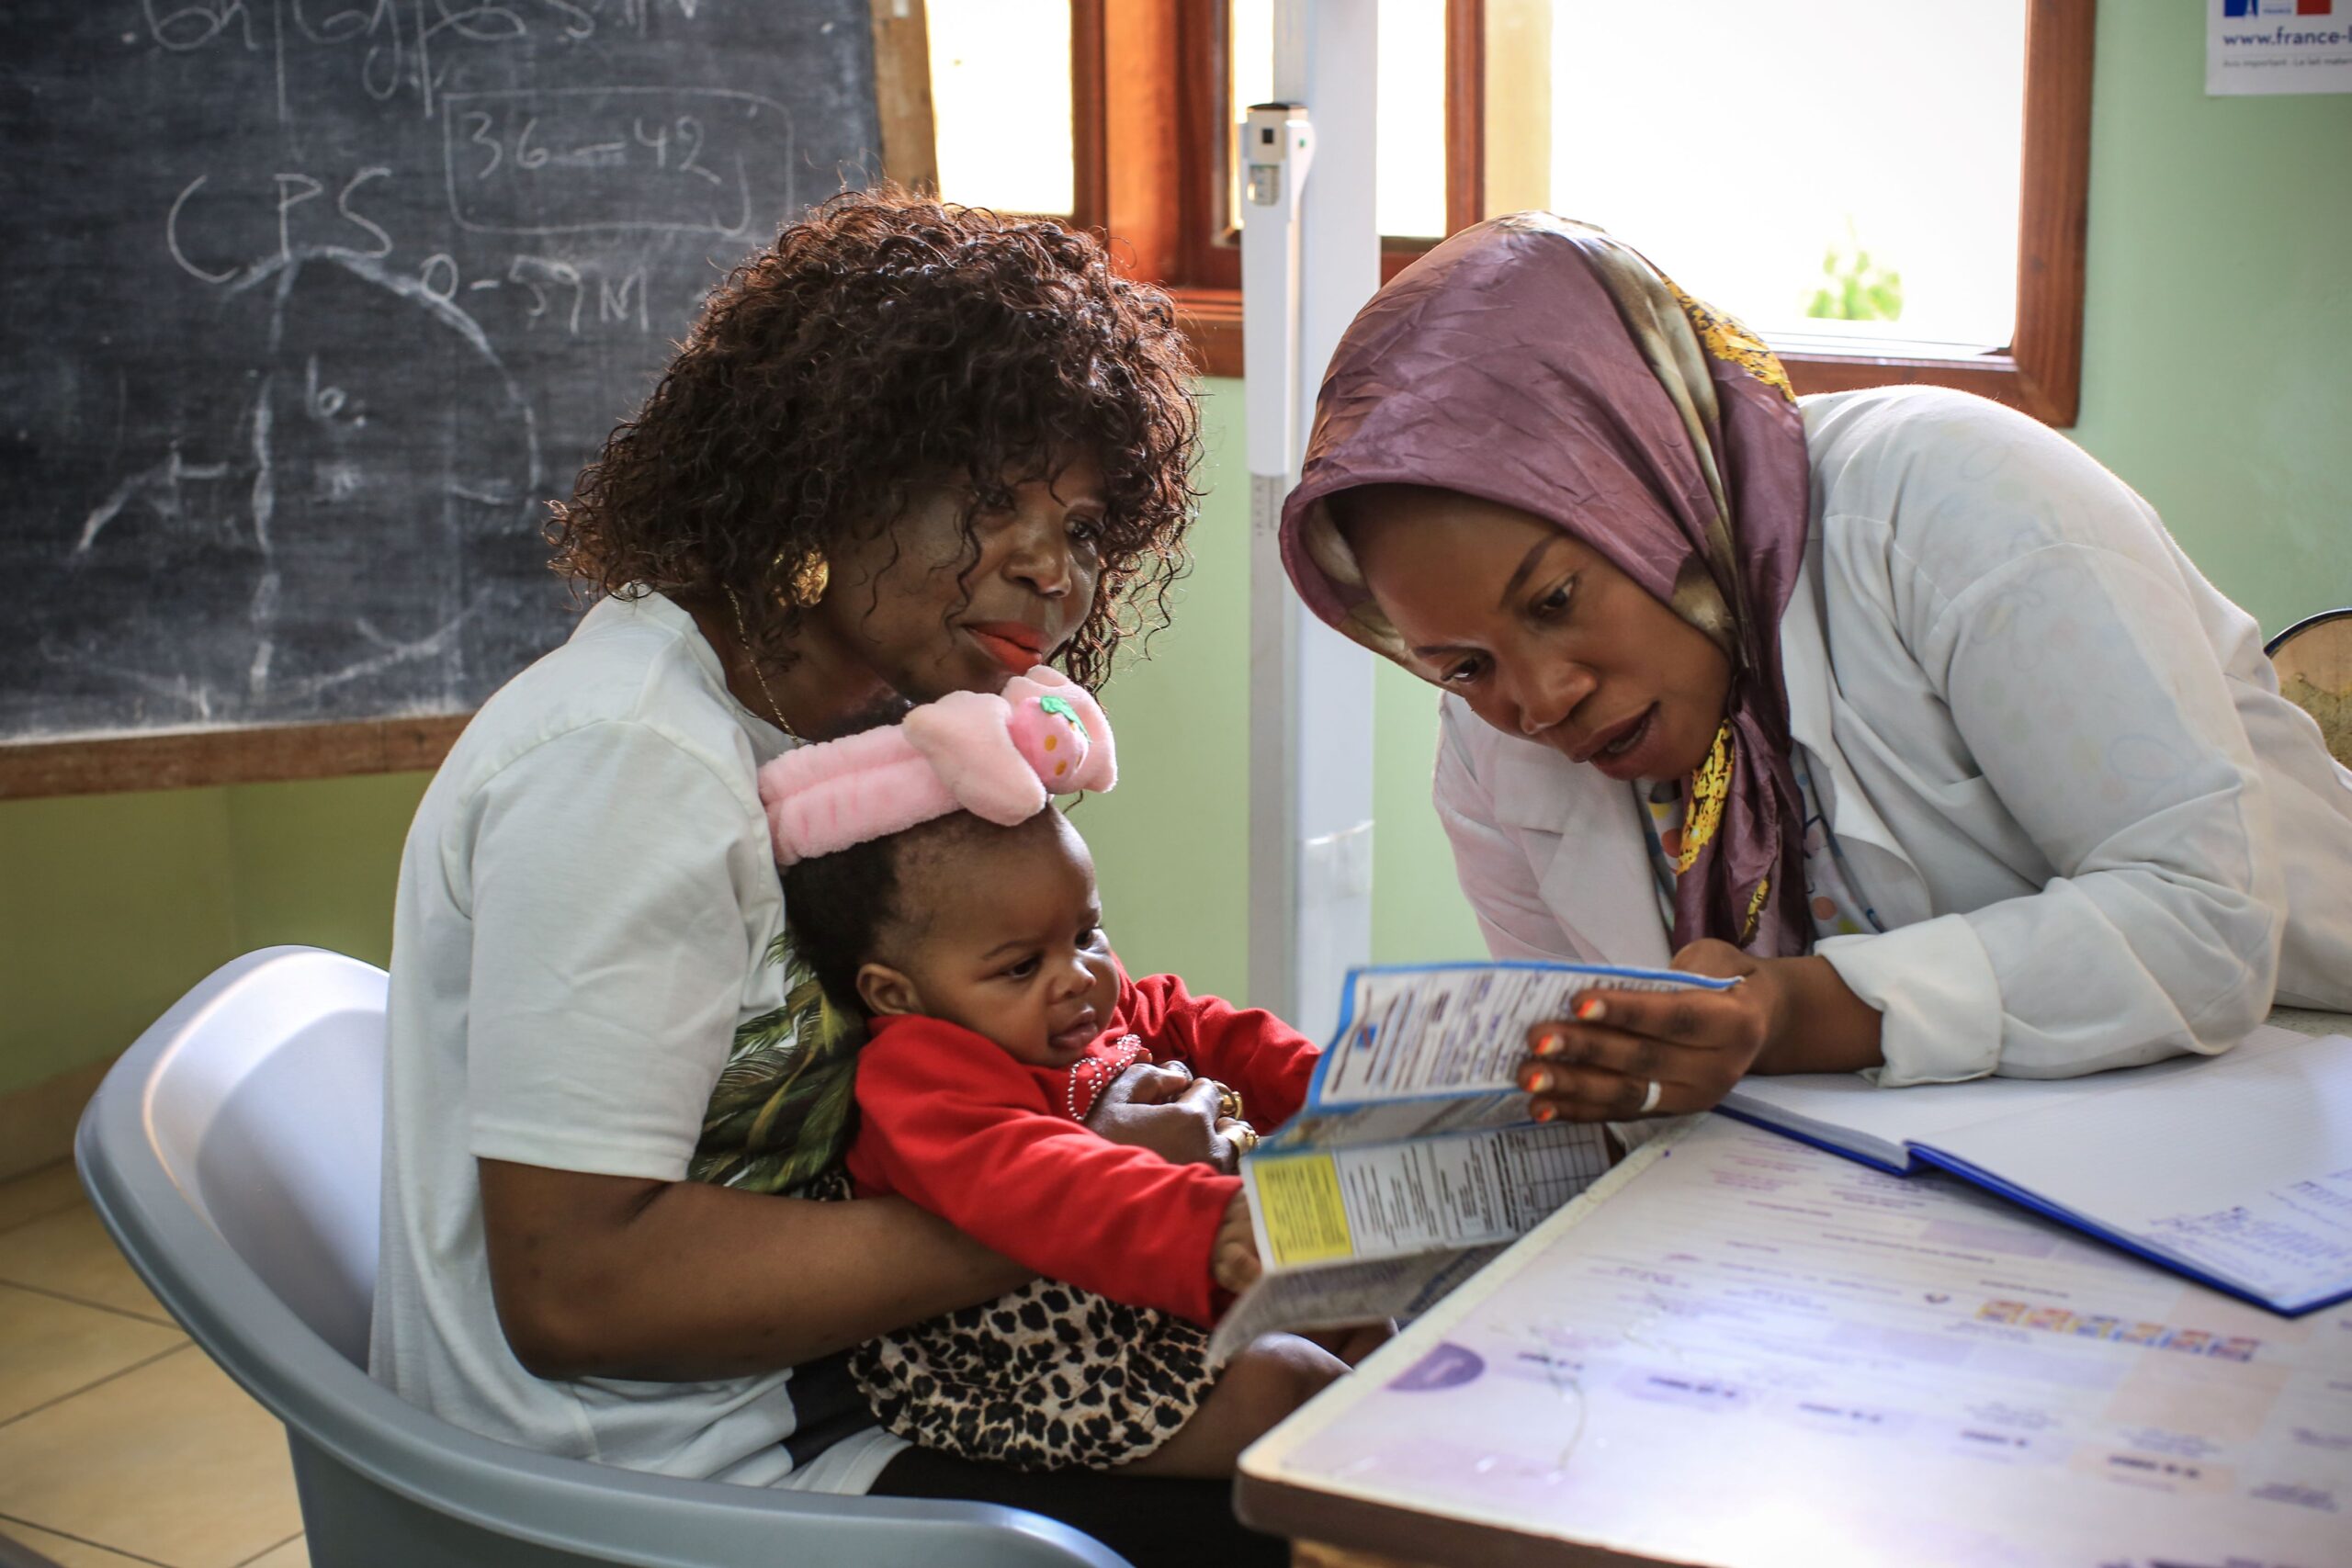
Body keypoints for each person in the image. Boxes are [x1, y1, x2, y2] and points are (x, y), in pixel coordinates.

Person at [371, 188, 1291, 1566]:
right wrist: (1072, 1205)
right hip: (650, 1478)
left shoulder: (866, 733)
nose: (1050, 567)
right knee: (1307, 1516)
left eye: (1087, 526)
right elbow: (574, 1286)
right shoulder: (631, 763)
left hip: (818, 1380)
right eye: (993, 500)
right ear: (834, 465)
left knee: (1335, 1426)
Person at [1278, 213, 2352, 1127]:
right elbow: (1598, 1084)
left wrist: (1798, 1012)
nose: (1539, 700)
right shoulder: (1486, 746)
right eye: (1462, 665)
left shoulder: (1948, 503)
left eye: (1556, 600)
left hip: (2288, 1076)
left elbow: (2204, 926)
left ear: (1651, 475)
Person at [759, 669, 1340, 1476]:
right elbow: (1036, 1177)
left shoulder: (1080, 1003)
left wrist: (1344, 1087)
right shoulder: (917, 1075)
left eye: (1087, 933)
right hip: (1035, 1354)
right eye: (1020, 965)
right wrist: (1207, 1225)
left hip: (1146, 1280)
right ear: (899, 993)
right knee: (1295, 1387)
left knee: (1373, 1317)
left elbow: (1194, 1021)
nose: (1076, 976)